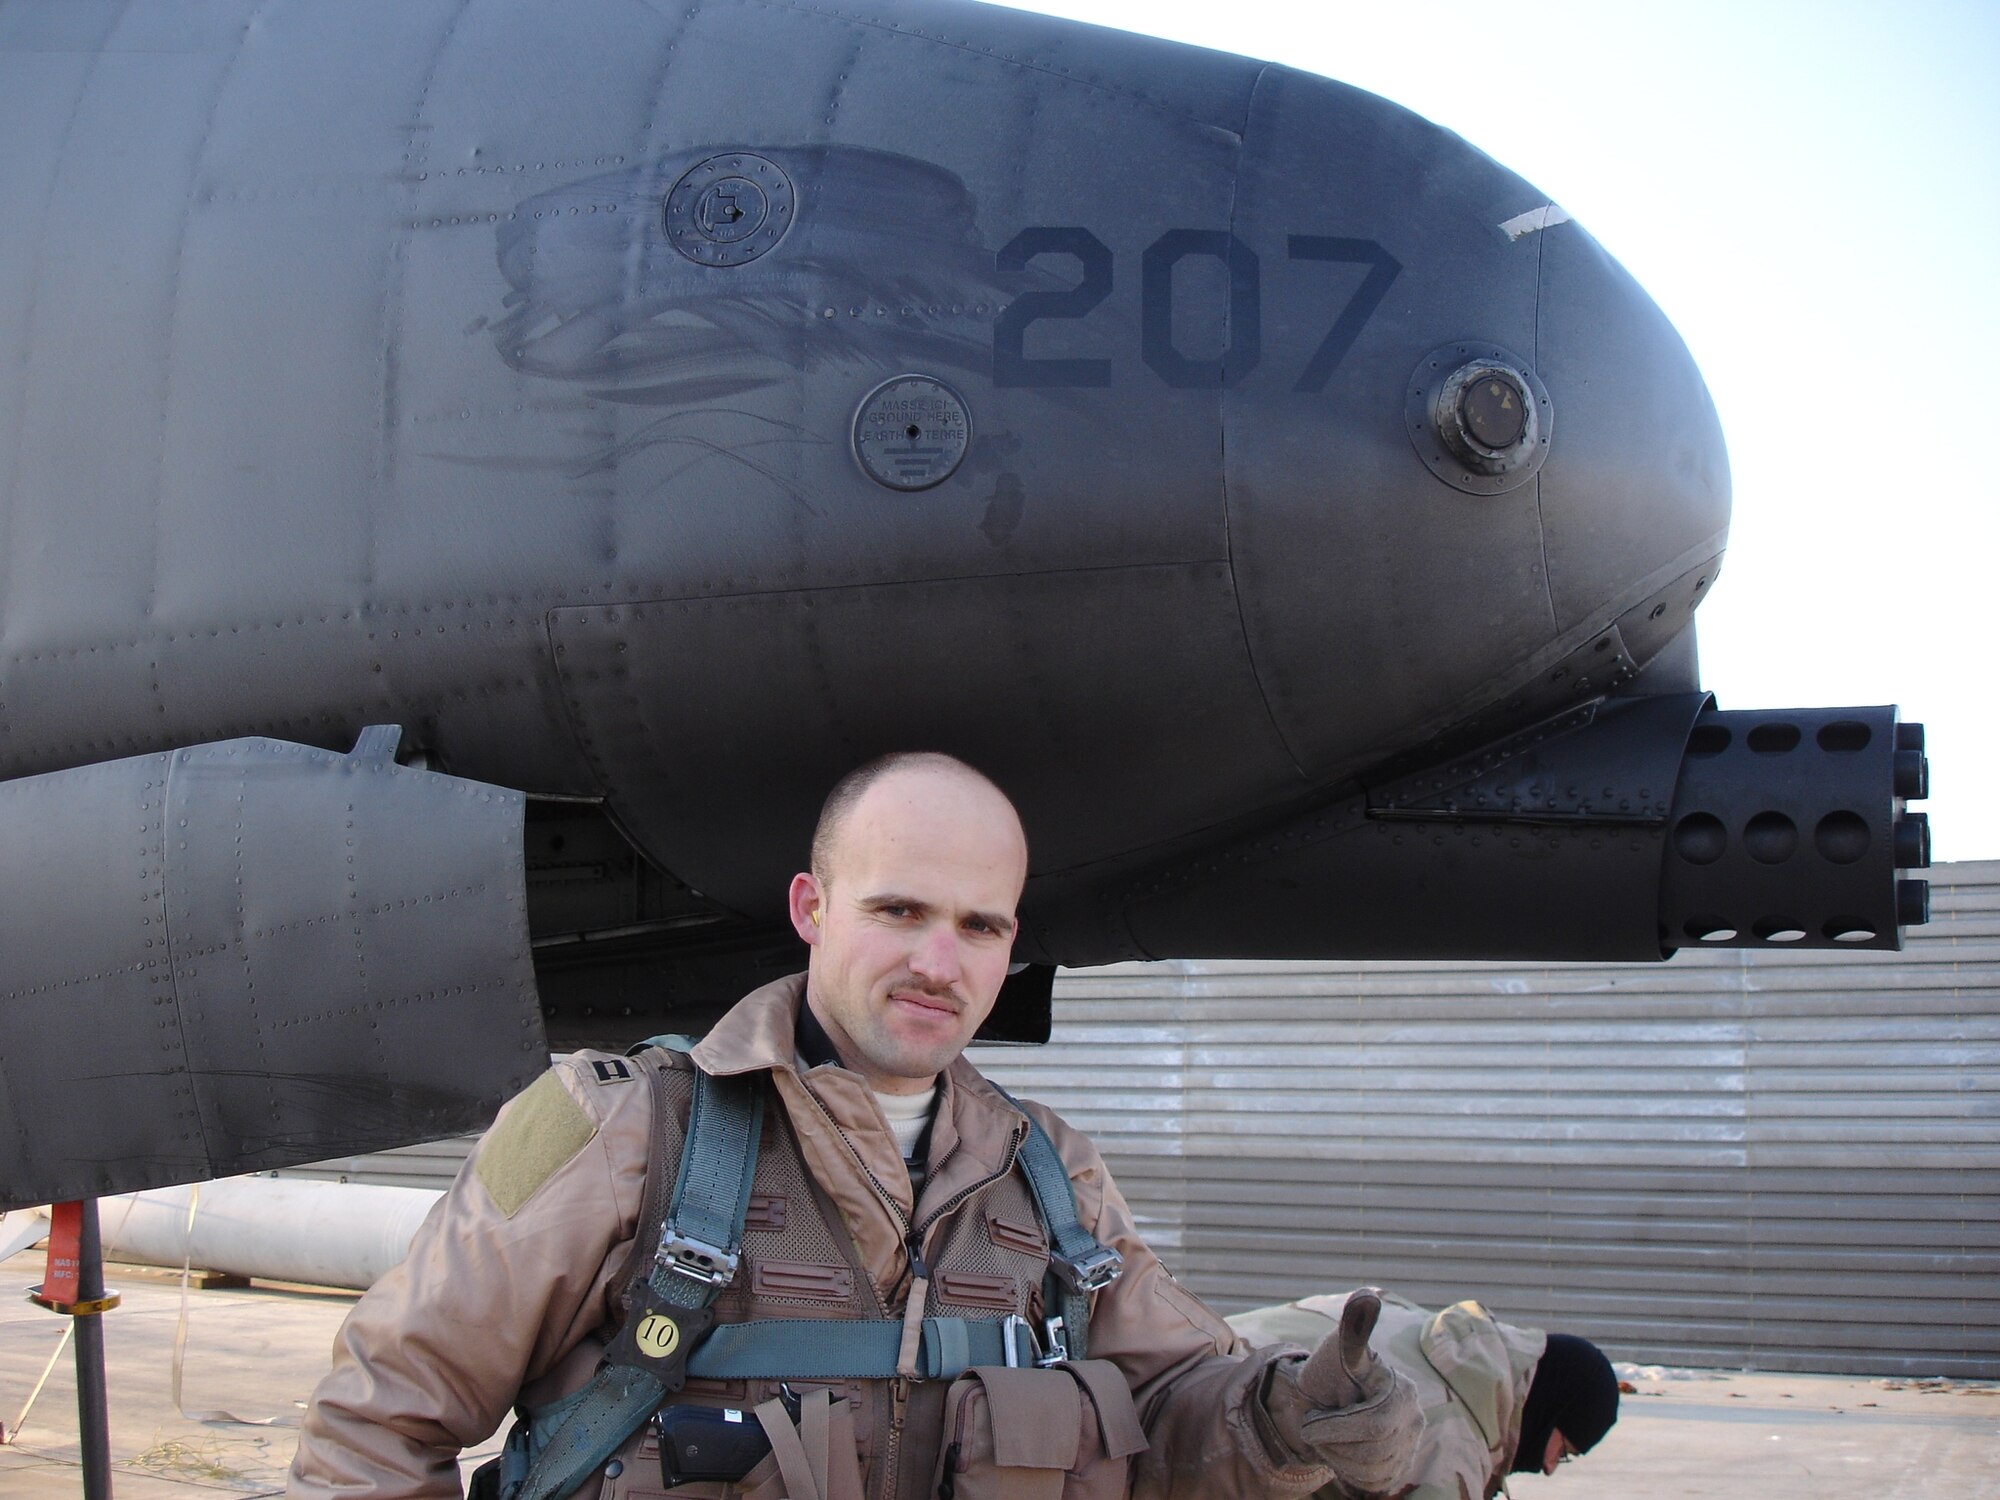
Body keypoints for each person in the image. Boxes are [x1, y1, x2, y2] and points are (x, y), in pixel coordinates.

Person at [289, 752, 1423, 1500]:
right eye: (898, 911)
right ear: (811, 908)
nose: (939, 963)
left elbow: (1177, 1407)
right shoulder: (619, 1124)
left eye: (978, 927)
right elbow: (376, 1425)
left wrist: (1288, 1414)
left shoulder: (1050, 1175)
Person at [1227, 1293, 1619, 1498]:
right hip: (1203, 1451)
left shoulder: (1422, 1328)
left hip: (1189, 1363)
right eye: (1563, 1451)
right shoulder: (1450, 1445)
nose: (1549, 1467)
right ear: (1550, 1411)